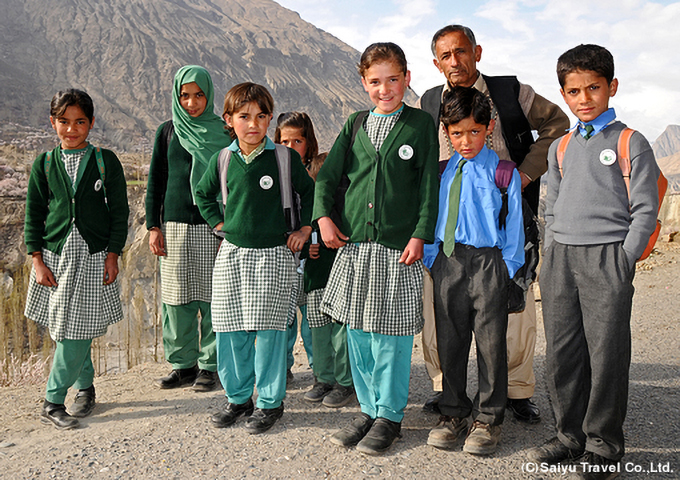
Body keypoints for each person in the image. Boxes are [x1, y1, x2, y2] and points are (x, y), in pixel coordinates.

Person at [417, 24, 569, 422]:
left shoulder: (510, 92)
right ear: (436, 63)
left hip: (505, 222)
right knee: (442, 317)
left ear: (477, 52)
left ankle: (516, 390)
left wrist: (524, 174)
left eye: (462, 52)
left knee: (514, 310)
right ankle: (445, 389)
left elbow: (556, 125)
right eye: (446, 56)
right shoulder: (429, 101)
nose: (455, 61)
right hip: (450, 229)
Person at [528, 44, 660, 479]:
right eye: (574, 91)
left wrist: (625, 257)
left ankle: (603, 444)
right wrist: (550, 252)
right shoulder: (561, 146)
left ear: (611, 87)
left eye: (593, 88)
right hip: (561, 259)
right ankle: (570, 436)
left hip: (608, 258)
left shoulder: (629, 142)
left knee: (606, 354)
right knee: (563, 353)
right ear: (563, 94)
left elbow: (644, 209)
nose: (584, 99)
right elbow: (551, 205)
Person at [314, 42, 439, 454]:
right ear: (362, 81)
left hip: (397, 249)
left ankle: (390, 415)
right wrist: (325, 218)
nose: (384, 89)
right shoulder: (354, 124)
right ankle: (368, 410)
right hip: (355, 250)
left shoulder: (420, 124)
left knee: (391, 335)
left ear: (406, 77)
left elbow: (427, 187)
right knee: (359, 332)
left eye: (393, 79)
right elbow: (327, 178)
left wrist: (421, 233)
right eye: (375, 81)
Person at [195, 82, 314, 434]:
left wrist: (305, 229)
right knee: (230, 329)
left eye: (261, 116)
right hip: (233, 255)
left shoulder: (283, 158)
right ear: (228, 120)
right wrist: (220, 225)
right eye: (243, 117)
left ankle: (270, 403)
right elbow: (203, 194)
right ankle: (238, 398)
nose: (253, 124)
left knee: (270, 331)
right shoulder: (223, 159)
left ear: (269, 120)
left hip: (274, 255)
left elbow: (312, 194)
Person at [423, 86, 524, 455]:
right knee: (450, 341)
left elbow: (513, 222)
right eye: (457, 133)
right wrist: (432, 257)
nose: (466, 141)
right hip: (447, 262)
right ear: (446, 132)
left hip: (489, 263)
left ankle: (488, 419)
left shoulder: (503, 171)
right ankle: (452, 413)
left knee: (491, 343)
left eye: (474, 131)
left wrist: (507, 266)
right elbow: (430, 216)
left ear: (489, 127)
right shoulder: (440, 172)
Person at [24, 89, 129, 429]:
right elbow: (34, 213)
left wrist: (113, 255)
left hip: (92, 256)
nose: (72, 129)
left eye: (80, 121)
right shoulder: (45, 163)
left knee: (76, 330)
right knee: (66, 328)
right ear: (52, 122)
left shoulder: (104, 161)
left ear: (91, 123)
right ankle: (85, 387)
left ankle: (52, 401)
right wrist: (36, 259)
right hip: (55, 258)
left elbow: (119, 213)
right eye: (64, 122)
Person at [145, 65, 231, 392]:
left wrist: (228, 227)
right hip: (175, 226)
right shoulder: (167, 132)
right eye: (185, 95)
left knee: (212, 298)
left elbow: (231, 181)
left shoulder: (223, 132)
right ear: (176, 97)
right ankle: (183, 364)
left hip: (213, 225)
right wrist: (154, 226)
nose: (192, 103)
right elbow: (156, 181)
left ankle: (211, 366)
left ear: (208, 96)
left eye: (199, 95)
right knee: (176, 298)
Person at [301, 152, 355, 408]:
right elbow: (297, 237)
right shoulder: (310, 210)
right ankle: (322, 379)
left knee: (341, 334)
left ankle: (345, 382)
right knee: (319, 333)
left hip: (341, 280)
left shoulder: (347, 211)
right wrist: (306, 251)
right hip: (316, 281)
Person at [274, 112, 318, 381]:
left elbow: (320, 213)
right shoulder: (272, 173)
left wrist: (313, 242)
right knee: (283, 317)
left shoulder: (317, 173)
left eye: (297, 142)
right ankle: (282, 367)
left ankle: (320, 369)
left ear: (308, 143)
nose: (290, 148)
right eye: (284, 142)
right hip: (283, 256)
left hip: (311, 258)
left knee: (312, 318)